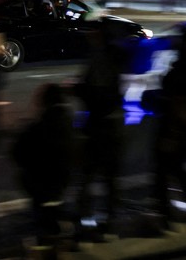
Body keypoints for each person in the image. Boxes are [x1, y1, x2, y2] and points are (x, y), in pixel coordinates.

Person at [70, 18, 128, 237]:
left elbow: (97, 94)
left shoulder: (102, 56)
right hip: (111, 124)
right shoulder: (112, 54)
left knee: (89, 174)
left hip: (99, 125)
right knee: (109, 177)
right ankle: (109, 220)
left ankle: (85, 221)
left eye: (93, 31)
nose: (89, 34)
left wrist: (78, 90)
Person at [151, 22, 186, 223]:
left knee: (163, 167)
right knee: (178, 167)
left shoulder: (183, 67)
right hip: (184, 121)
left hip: (173, 122)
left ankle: (164, 211)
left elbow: (172, 95)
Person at [11, 82, 76, 244]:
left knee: (30, 174)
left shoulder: (39, 127)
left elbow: (17, 152)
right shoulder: (69, 123)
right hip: (63, 180)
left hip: (42, 182)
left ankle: (45, 231)